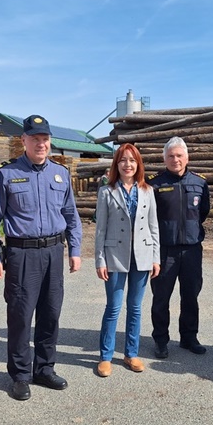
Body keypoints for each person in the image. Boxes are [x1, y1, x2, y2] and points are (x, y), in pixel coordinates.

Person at [0, 115, 82, 401]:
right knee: (21, 317)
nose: (41, 144)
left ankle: (45, 369)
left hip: (53, 252)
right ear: (23, 140)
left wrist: (75, 250)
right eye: (35, 138)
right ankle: (21, 375)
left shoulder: (60, 174)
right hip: (21, 253)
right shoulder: (7, 174)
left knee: (51, 314)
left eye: (45, 139)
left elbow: (71, 216)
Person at [94, 144, 160, 377]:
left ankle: (131, 354)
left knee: (135, 308)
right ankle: (105, 356)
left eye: (132, 160)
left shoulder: (147, 191)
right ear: (116, 164)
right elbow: (100, 229)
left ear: (138, 164)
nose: (128, 164)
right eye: (123, 160)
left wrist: (155, 257)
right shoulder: (106, 191)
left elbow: (154, 227)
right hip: (114, 256)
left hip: (141, 257)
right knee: (113, 307)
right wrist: (100, 260)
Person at [147, 137, 210, 359]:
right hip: (164, 250)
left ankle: (189, 337)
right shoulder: (153, 184)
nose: (176, 159)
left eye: (179, 155)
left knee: (191, 295)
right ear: (164, 158)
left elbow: (203, 212)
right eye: (171, 156)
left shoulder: (200, 183)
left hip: (192, 249)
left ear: (187, 157)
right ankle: (161, 340)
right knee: (161, 298)